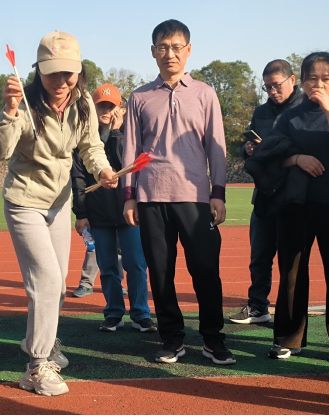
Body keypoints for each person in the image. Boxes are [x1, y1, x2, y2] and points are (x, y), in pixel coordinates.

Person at [0, 31, 117, 396]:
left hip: (59, 203)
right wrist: (9, 112)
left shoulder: (84, 102)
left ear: (79, 71)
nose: (61, 81)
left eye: (68, 73)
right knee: (44, 280)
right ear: (38, 71)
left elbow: (91, 145)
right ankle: (36, 365)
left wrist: (102, 170)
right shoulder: (24, 102)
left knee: (58, 285)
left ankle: (44, 339)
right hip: (25, 200)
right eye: (52, 73)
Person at [122, 19, 235, 365]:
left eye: (176, 47)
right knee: (160, 273)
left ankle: (213, 339)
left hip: (195, 197)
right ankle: (172, 339)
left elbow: (216, 146)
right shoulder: (139, 97)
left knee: (205, 270)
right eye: (162, 47)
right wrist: (129, 195)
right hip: (151, 196)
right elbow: (130, 150)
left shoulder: (204, 93)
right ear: (152, 51)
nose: (169, 54)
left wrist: (218, 192)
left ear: (188, 50)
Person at [250, 52, 329, 363]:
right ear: (302, 81)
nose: (318, 84)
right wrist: (297, 159)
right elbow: (269, 156)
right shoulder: (289, 117)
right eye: (312, 78)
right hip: (294, 204)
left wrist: (328, 107)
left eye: (326, 78)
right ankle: (288, 338)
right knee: (291, 271)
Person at [72, 83, 155, 333]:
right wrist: (81, 214)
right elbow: (78, 178)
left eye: (111, 106)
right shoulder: (85, 138)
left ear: (121, 108)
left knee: (136, 264)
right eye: (101, 107)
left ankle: (141, 313)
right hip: (99, 213)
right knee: (107, 267)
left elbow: (126, 164)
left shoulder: (131, 135)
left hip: (129, 211)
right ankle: (114, 312)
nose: (106, 112)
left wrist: (117, 132)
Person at [229, 60, 302, 324]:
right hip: (264, 194)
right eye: (267, 87)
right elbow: (249, 146)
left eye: (276, 85)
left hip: (294, 196)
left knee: (292, 261)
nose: (272, 91)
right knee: (259, 255)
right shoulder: (261, 112)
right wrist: (247, 149)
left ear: (292, 80)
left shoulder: (306, 110)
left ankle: (292, 315)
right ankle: (258, 306)